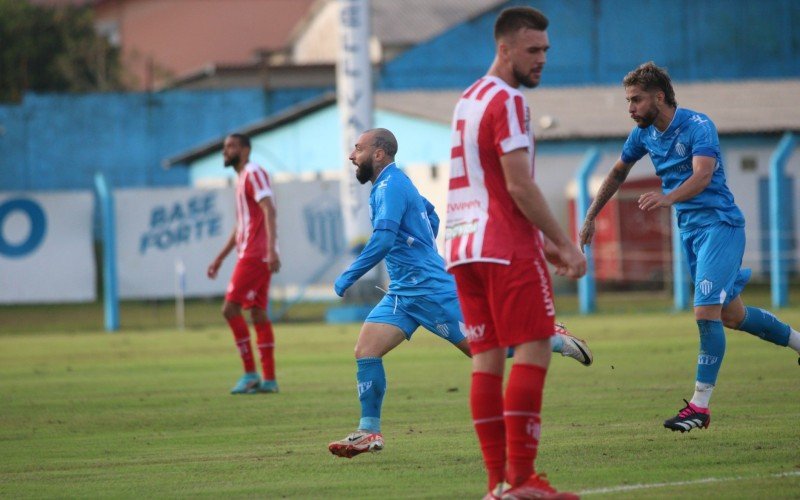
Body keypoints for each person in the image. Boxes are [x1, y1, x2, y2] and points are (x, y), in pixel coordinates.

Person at [328, 128, 592, 460]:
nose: (352, 155)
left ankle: (549, 336)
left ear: (379, 154)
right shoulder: (392, 184)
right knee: (366, 350)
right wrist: (423, 245)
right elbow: (430, 213)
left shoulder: (391, 185)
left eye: (358, 149)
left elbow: (382, 239)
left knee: (479, 350)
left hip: (430, 289)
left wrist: (347, 277)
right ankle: (368, 432)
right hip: (402, 292)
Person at [579, 61, 800, 433]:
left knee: (704, 313)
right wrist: (590, 216)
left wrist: (667, 198)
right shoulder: (644, 135)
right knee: (732, 316)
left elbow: (702, 175)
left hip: (721, 226)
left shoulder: (698, 126)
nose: (630, 108)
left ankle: (699, 407)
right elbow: (618, 171)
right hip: (692, 233)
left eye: (636, 100)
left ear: (659, 97)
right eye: (628, 100)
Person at [445, 7, 586, 500]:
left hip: (464, 248)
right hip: (505, 248)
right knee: (535, 348)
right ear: (504, 49)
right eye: (533, 50)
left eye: (546, 50)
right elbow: (519, 187)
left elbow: (490, 188)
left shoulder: (468, 99)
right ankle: (522, 481)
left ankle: (496, 486)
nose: (542, 59)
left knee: (485, 358)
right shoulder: (507, 101)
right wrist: (565, 243)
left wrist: (547, 247)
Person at [207, 133, 282, 395]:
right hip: (252, 252)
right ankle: (269, 379)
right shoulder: (241, 178)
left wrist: (271, 250)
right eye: (225, 146)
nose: (226, 151)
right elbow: (242, 225)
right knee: (258, 313)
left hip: (256, 254)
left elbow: (269, 209)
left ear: (246, 151)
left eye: (232, 146)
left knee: (230, 309)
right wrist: (220, 257)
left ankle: (250, 373)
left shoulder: (253, 172)